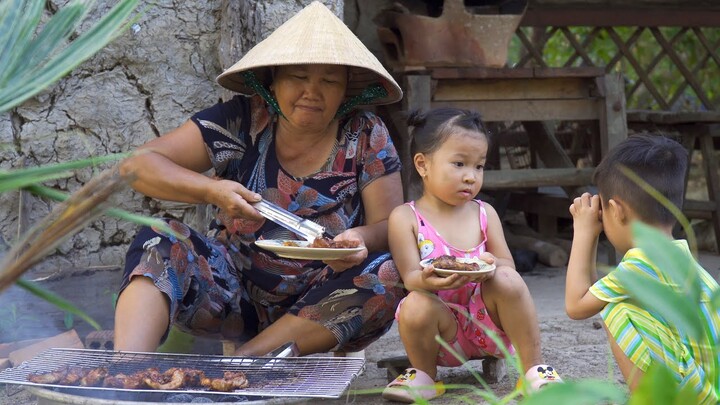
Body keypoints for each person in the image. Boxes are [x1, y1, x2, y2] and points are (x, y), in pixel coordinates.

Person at [113, 1, 406, 358]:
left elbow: (390, 224)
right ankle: (123, 373)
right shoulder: (241, 121)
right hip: (231, 294)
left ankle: (246, 360)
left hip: (327, 299)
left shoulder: (365, 133)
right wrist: (213, 190)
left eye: (329, 80)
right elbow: (136, 166)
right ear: (273, 81)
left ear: (346, 91)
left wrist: (358, 238)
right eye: (298, 77)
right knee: (158, 238)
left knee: (389, 271)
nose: (312, 91)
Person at [382, 108, 562, 403]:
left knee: (507, 278)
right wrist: (427, 281)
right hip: (441, 332)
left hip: (488, 325)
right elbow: (411, 277)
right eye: (459, 164)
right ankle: (425, 376)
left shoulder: (484, 213)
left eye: (479, 166)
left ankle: (533, 371)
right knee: (415, 304)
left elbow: (507, 263)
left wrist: (491, 265)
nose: (471, 176)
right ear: (422, 165)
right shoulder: (406, 218)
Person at [565, 134, 720, 403]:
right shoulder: (680, 257)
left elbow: (577, 305)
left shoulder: (639, 264)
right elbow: (591, 293)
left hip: (696, 398)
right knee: (616, 301)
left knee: (618, 310)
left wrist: (583, 233)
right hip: (710, 386)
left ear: (616, 210)